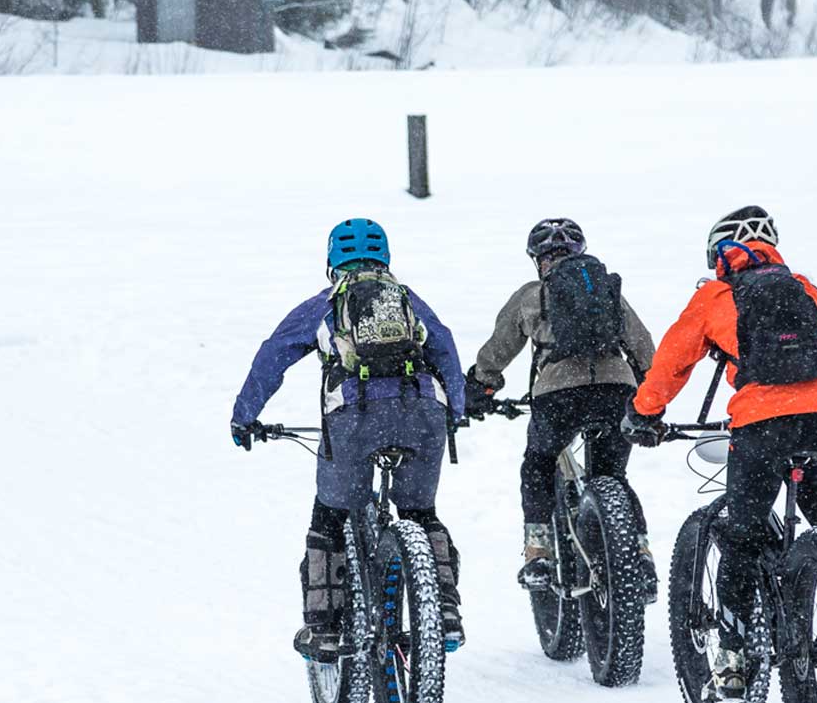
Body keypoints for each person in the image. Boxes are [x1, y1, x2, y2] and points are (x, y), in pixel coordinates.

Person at [622, 205, 817, 703]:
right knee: (810, 475)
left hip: (763, 425)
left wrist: (644, 413)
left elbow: (672, 362)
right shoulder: (804, 288)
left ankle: (731, 661)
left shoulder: (716, 296)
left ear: (720, 255)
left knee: (741, 531)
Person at [231, 218, 468, 661]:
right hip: (422, 414)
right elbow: (445, 348)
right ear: (385, 259)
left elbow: (273, 356)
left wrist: (246, 416)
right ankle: (444, 610)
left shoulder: (325, 304)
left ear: (331, 262)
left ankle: (323, 627)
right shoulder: (408, 301)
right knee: (420, 511)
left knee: (330, 515)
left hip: (355, 420)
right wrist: (455, 409)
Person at [464, 218, 659, 597]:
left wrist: (481, 386)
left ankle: (538, 551)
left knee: (538, 463)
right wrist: (647, 392)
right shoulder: (606, 291)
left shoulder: (532, 294)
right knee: (614, 476)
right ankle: (640, 552)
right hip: (615, 390)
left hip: (558, 395)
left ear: (538, 260)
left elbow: (499, 350)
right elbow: (643, 346)